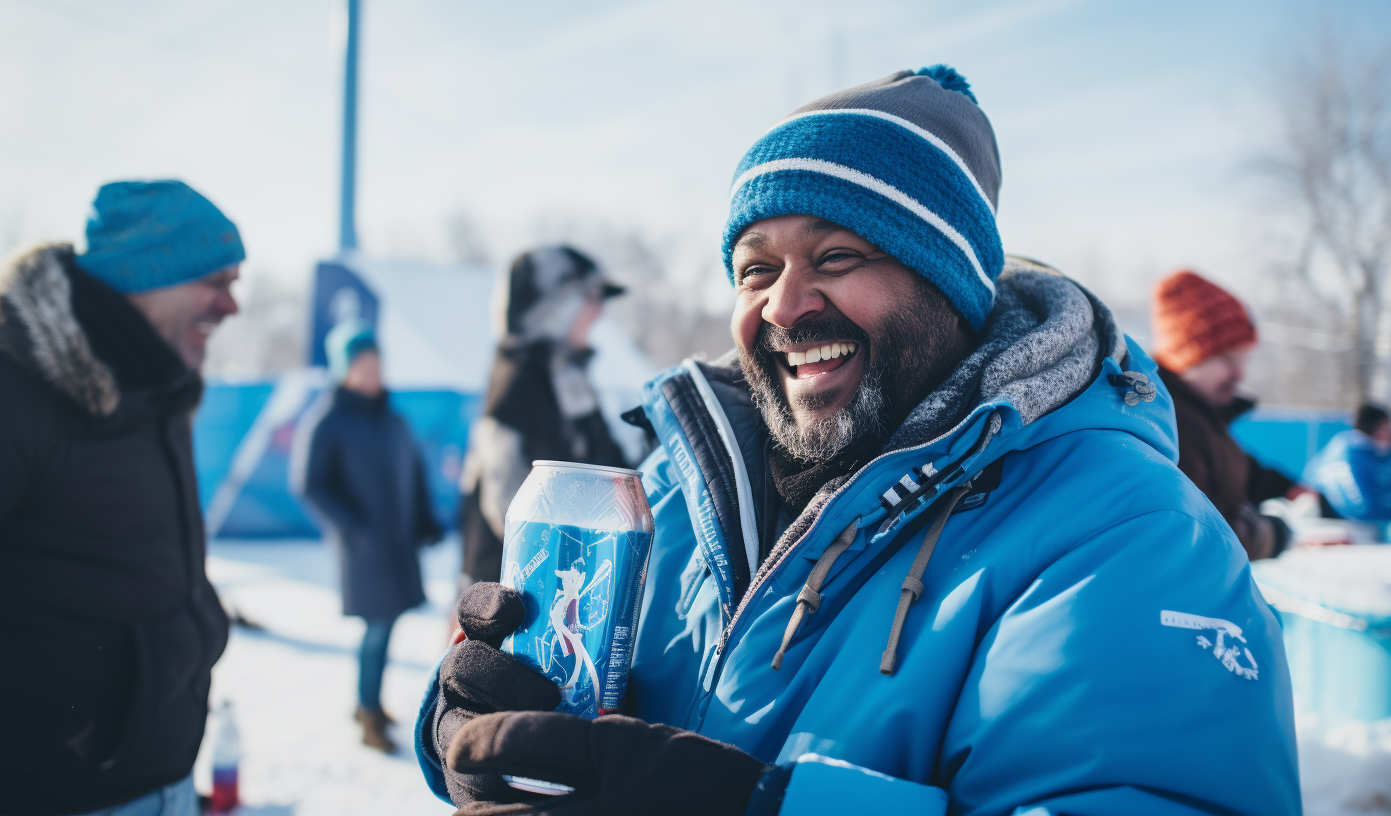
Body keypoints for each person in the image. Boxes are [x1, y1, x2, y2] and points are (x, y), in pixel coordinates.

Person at [416, 66, 1301, 816]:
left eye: (837, 256)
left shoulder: (1128, 534)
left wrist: (764, 806)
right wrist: (477, 722)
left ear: (949, 287)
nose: (786, 304)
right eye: (756, 267)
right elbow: (583, 743)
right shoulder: (684, 490)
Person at [0, 180, 239, 815]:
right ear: (146, 275)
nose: (231, 305)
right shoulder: (10, 388)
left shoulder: (160, 388)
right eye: (216, 280)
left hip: (165, 776)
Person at [292, 320, 444, 753]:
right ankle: (368, 712)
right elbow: (309, 483)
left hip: (398, 545)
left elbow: (413, 474)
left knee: (389, 624)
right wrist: (354, 528)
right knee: (376, 629)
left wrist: (425, 519)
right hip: (366, 551)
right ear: (343, 370)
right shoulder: (328, 420)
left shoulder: (392, 418)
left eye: (375, 363)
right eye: (360, 365)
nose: (370, 372)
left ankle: (369, 702)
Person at [456, 246, 628, 589]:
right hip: (511, 588)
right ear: (553, 308)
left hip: (559, 578)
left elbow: (609, 466)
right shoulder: (519, 378)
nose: (599, 313)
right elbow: (505, 499)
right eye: (590, 298)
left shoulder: (568, 378)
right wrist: (562, 561)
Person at [1151, 269, 1301, 560]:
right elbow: (1197, 537)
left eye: (1244, 359)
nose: (1240, 373)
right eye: (1227, 358)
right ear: (1187, 355)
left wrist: (1289, 489)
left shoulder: (1203, 415)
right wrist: (1272, 534)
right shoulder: (1173, 423)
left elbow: (1236, 469)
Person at [1305, 404, 1391, 532]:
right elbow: (1362, 509)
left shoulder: (1380, 452)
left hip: (1357, 526)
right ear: (1376, 428)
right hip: (1331, 527)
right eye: (1388, 426)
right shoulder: (1348, 455)